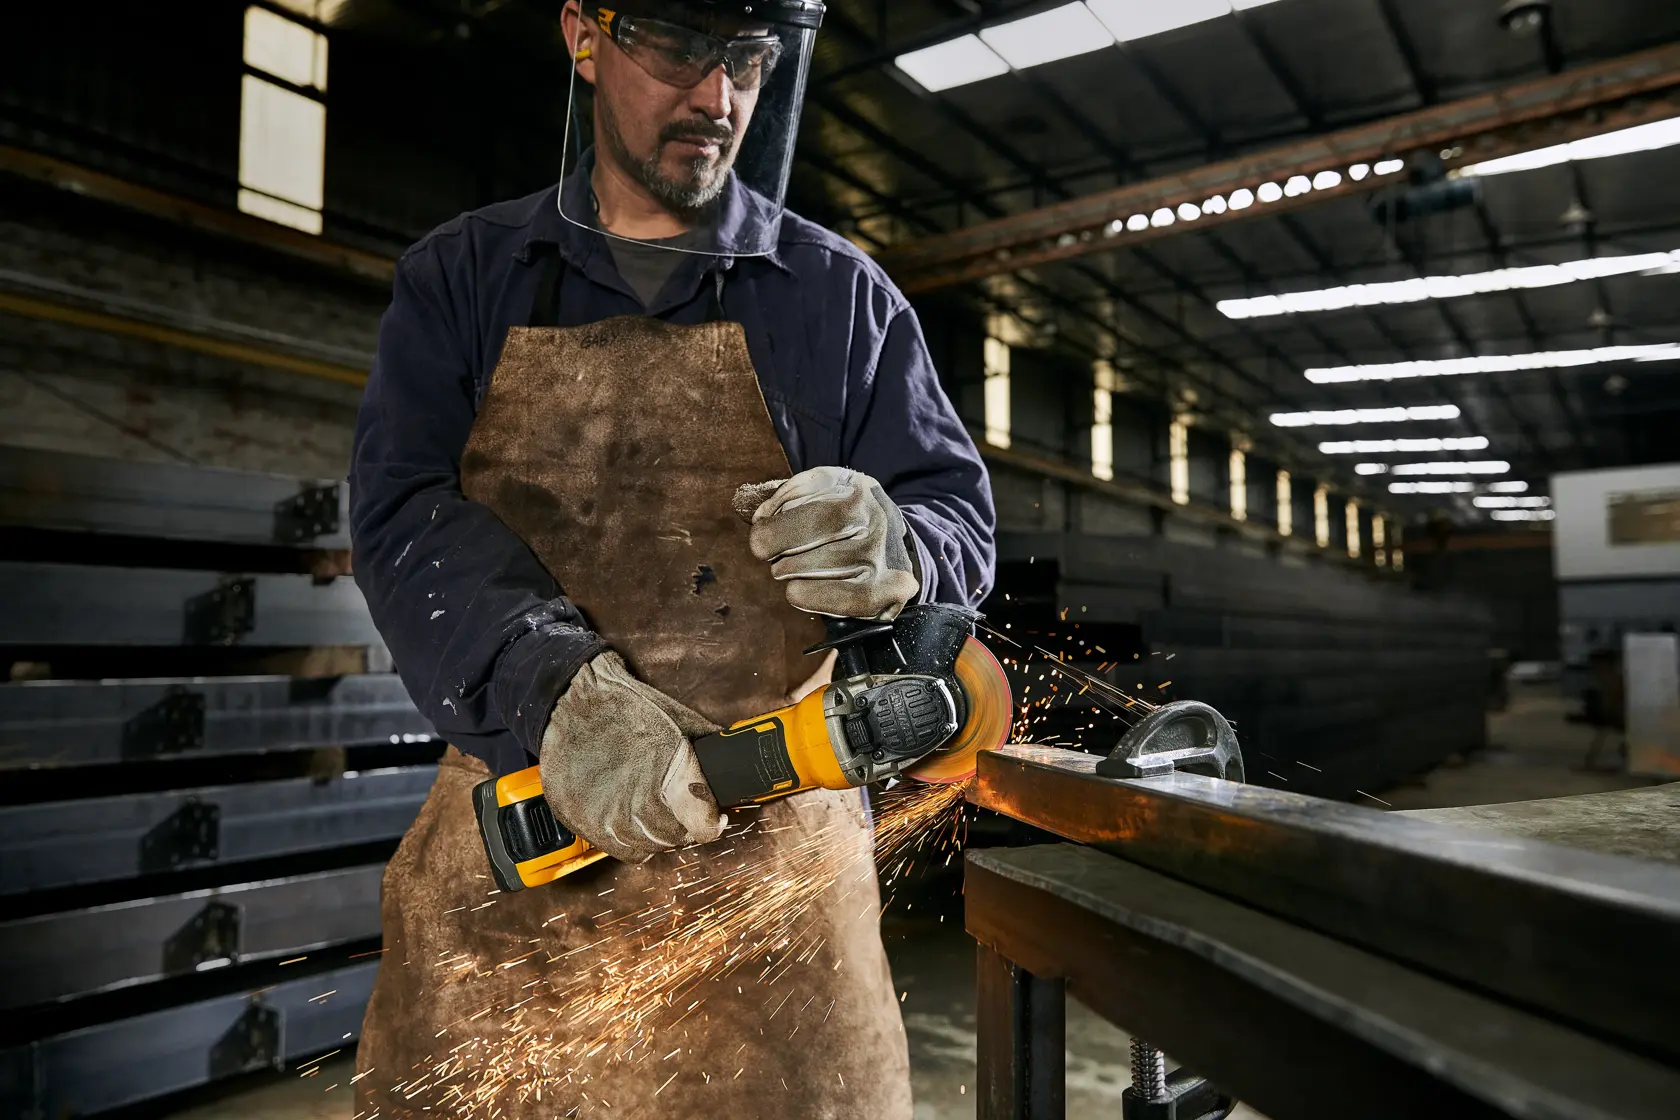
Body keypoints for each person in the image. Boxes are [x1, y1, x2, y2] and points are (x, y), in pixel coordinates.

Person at [348, 1, 994, 1115]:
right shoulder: (464, 278)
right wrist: (554, 687)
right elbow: (404, 515)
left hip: (776, 885)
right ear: (583, 35)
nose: (716, 95)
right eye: (677, 46)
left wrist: (898, 547)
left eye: (746, 58)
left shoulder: (840, 297)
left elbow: (955, 519)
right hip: (527, 848)